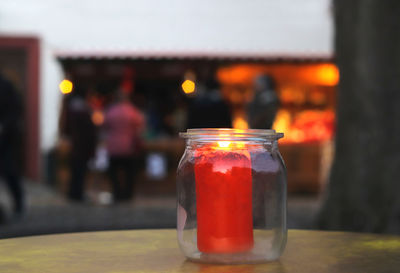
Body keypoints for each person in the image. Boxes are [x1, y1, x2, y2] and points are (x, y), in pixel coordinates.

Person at [104, 91, 145, 202]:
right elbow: (140, 126)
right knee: (130, 173)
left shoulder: (111, 111)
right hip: (128, 146)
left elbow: (104, 125)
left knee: (113, 172)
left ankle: (117, 193)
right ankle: (128, 194)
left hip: (113, 146)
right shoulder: (132, 111)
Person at [61, 86, 97, 201]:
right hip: (81, 146)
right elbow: (89, 131)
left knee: (76, 171)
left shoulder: (71, 109)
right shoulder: (83, 111)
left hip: (75, 145)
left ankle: (74, 193)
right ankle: (77, 193)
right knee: (79, 171)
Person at [0, 73, 24, 217]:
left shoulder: (6, 85)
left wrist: (3, 126)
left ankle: (18, 203)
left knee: (9, 172)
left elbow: (15, 109)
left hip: (6, 140)